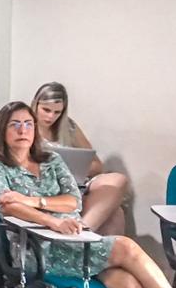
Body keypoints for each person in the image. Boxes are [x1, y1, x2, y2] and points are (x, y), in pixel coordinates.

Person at [0, 102, 176, 288]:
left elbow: (73, 201)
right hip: (33, 248)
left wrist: (31, 200)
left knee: (128, 284)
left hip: (72, 242)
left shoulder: (51, 160)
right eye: (15, 125)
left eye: (28, 124)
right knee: (125, 247)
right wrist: (52, 221)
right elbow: (9, 206)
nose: (23, 131)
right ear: (2, 130)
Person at [31, 82, 129, 236]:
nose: (51, 116)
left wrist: (76, 167)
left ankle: (81, 231)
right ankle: (81, 236)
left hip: (77, 182)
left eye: (57, 112)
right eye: (46, 110)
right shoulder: (26, 128)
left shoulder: (68, 127)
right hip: (49, 185)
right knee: (116, 214)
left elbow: (97, 165)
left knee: (119, 179)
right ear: (35, 105)